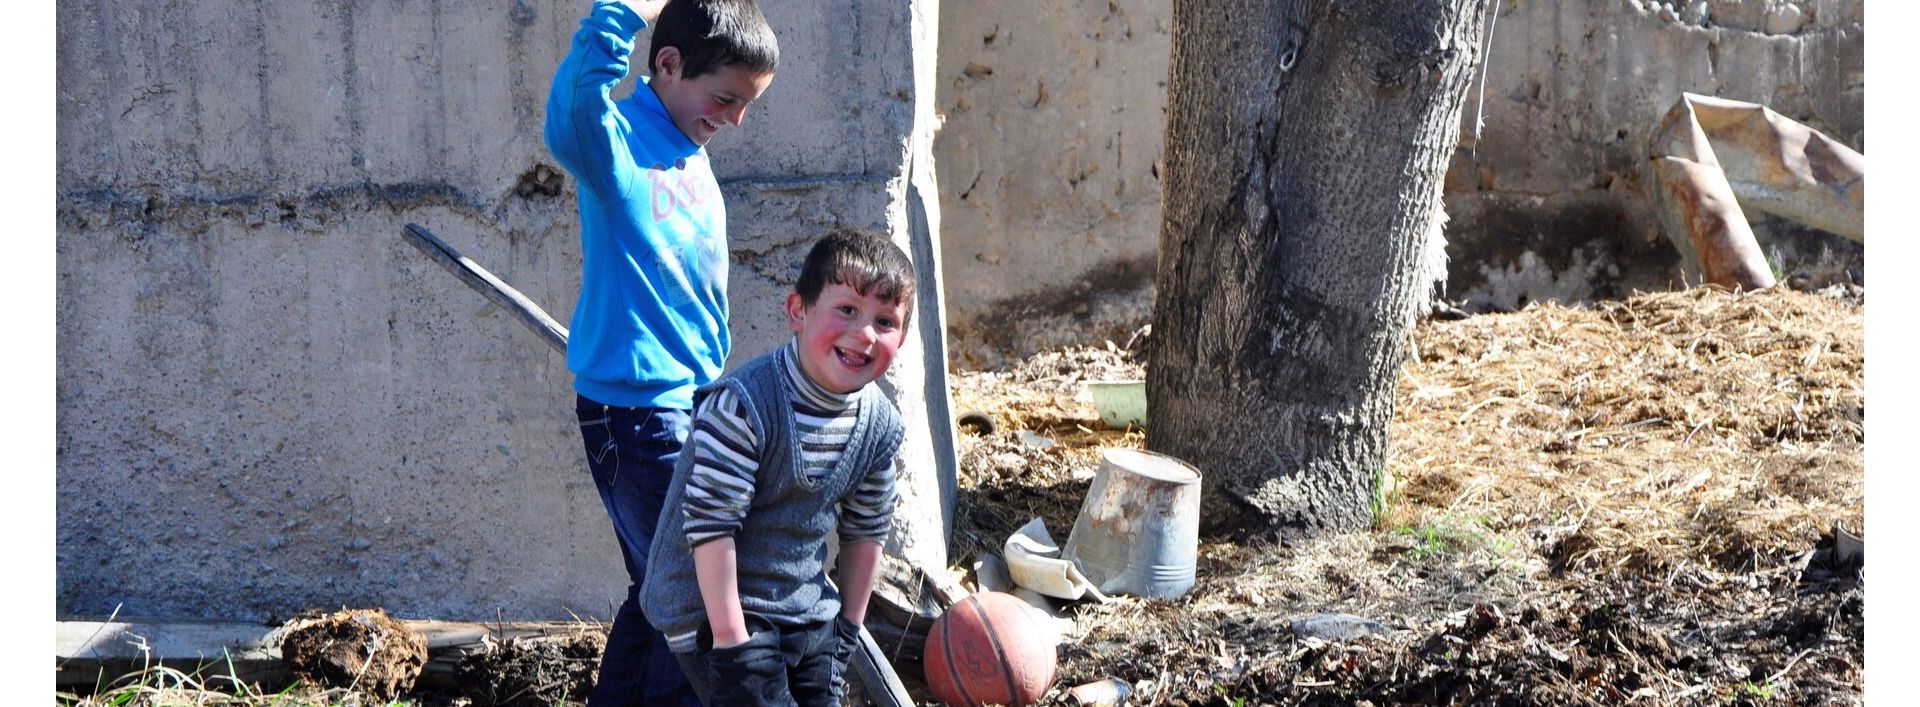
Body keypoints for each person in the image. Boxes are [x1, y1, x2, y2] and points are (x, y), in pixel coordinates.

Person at [543, 1, 778, 705]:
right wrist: (620, 16)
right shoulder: (616, 146)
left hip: (690, 407)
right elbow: (574, 103)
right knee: (697, 603)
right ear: (669, 65)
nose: (735, 120)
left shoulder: (688, 151)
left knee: (661, 593)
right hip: (638, 418)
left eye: (748, 105)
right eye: (726, 98)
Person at [641, 228, 915, 707]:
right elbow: (710, 528)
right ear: (798, 311)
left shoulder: (878, 425)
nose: (865, 333)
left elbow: (866, 531)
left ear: (903, 337)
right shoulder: (744, 406)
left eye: (885, 321)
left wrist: (847, 630)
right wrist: (733, 643)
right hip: (716, 610)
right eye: (847, 310)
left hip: (804, 605)